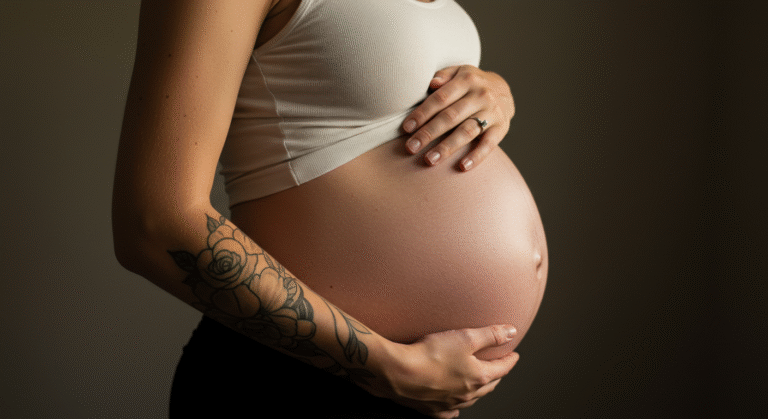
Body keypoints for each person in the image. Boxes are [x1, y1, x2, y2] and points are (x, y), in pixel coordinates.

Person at [112, 0, 548, 418]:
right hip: (299, 382)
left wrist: (493, 90)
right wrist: (383, 365)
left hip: (408, 385)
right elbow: (156, 222)